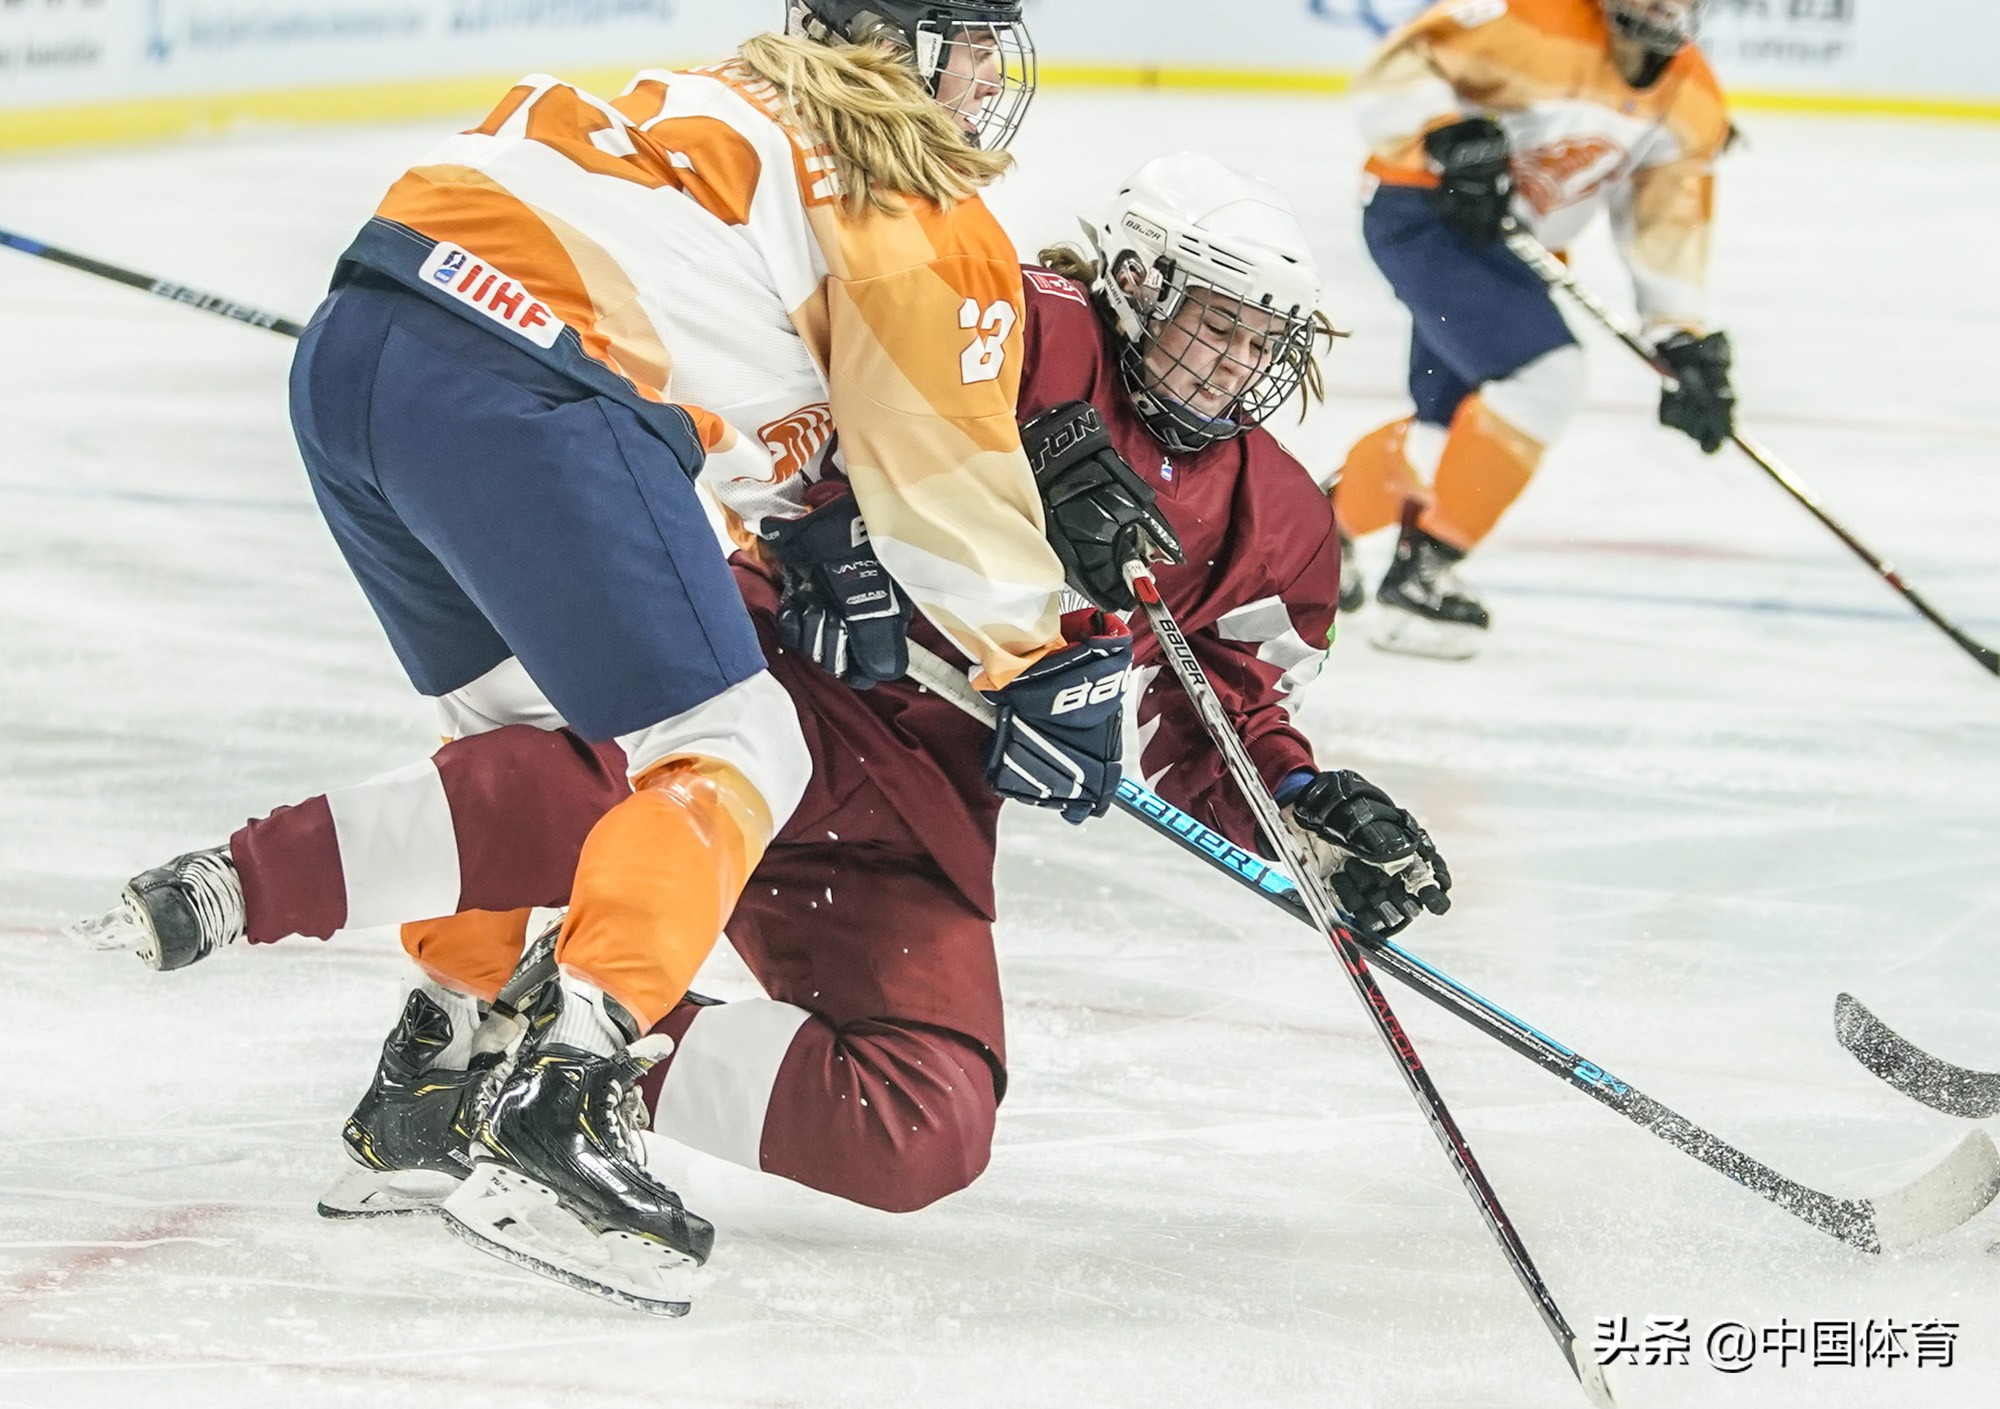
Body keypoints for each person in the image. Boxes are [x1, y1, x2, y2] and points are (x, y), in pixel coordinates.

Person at [90, 154, 1451, 1312]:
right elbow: (787, 404)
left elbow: (1222, 712)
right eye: (1215, 323)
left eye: (1260, 342)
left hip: (920, 795)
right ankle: (247, 882)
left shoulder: (1274, 516)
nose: (1235, 364)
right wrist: (840, 540)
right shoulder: (1014, 324)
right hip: (780, 664)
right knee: (611, 786)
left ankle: (547, 1033)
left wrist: (1308, 813)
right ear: (1136, 283)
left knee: (925, 1126)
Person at [80, 0, 1143, 1314]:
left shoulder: (717, 107)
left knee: (528, 760)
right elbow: (943, 477)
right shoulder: (904, 196)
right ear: (894, 46)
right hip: (530, 389)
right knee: (740, 744)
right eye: (969, 44)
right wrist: (1041, 656)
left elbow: (734, 367)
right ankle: (566, 1113)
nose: (986, 79)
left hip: (360, 356)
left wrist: (808, 526)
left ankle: (432, 1085)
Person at [1334, 0, 1737, 658]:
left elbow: (1669, 216)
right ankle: (1424, 571)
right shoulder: (1527, 14)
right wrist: (1445, 131)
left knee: (1451, 427)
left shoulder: (1690, 93)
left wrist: (1679, 335)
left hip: (1516, 250)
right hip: (1425, 213)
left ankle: (1319, 532)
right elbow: (1399, 64)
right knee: (1543, 375)